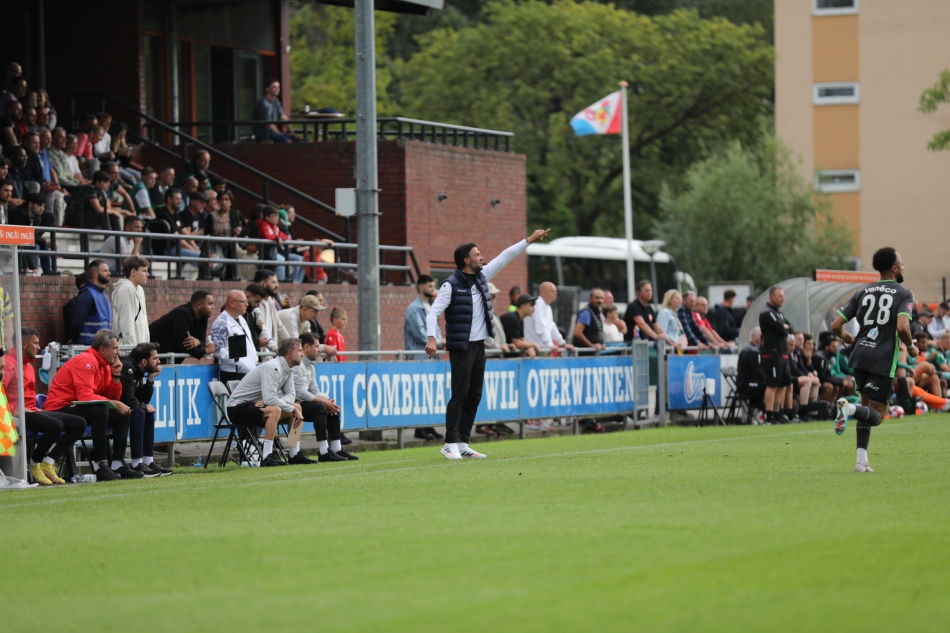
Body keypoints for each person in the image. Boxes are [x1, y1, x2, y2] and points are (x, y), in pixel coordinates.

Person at [425, 229, 550, 459]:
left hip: (479, 346)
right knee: (459, 395)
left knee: (474, 395)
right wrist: (431, 337)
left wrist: (529, 240)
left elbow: (505, 256)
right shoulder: (450, 285)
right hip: (461, 347)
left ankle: (462, 442)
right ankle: (449, 443)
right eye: (477, 254)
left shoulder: (482, 277)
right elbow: (433, 313)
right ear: (466, 260)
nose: (482, 258)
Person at [831, 247, 917, 473]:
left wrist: (846, 337)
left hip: (860, 354)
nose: (904, 266)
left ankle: (861, 462)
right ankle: (848, 408)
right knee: (877, 416)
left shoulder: (863, 292)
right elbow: (902, 327)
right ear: (894, 268)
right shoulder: (904, 293)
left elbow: (836, 325)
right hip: (882, 357)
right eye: (901, 263)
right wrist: (911, 347)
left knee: (866, 409)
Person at [44, 329, 140, 481]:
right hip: (59, 408)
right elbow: (85, 396)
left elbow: (111, 397)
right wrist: (115, 403)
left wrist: (116, 375)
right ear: (102, 349)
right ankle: (100, 465)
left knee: (123, 413)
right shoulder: (86, 361)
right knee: (101, 411)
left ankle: (117, 463)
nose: (118, 352)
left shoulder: (105, 365)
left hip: (77, 407)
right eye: (115, 348)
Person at [3, 328, 86, 485]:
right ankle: (35, 464)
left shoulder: (28, 365)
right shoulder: (8, 363)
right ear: (23, 344)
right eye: (35, 343)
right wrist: (14, 409)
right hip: (15, 414)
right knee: (55, 425)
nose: (39, 347)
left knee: (79, 423)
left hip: (32, 411)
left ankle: (48, 463)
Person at [226, 338, 305, 467]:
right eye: (300, 351)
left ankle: (294, 454)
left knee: (297, 407)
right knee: (276, 410)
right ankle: (267, 456)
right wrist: (287, 407)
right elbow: (270, 399)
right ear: (290, 353)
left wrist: (292, 408)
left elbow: (291, 395)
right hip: (236, 408)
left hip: (255, 406)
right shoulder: (273, 367)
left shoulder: (288, 369)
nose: (302, 354)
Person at [295, 333, 359, 462]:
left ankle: (336, 449)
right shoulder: (297, 365)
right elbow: (299, 393)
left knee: (331, 407)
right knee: (321, 408)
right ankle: (323, 452)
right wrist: (324, 403)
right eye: (317, 346)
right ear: (306, 347)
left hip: (299, 404)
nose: (320, 350)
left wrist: (329, 401)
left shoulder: (310, 366)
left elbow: (315, 391)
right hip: (291, 404)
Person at [120, 342, 173, 477]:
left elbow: (142, 399)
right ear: (144, 361)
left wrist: (150, 379)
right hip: (115, 410)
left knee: (147, 413)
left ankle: (148, 461)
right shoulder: (128, 369)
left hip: (125, 409)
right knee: (140, 412)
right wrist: (144, 406)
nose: (158, 361)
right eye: (155, 358)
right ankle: (136, 464)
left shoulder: (138, 370)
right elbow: (129, 399)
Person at [148, 290, 216, 364]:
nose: (213, 307)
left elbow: (202, 341)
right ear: (199, 305)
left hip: (169, 359)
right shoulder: (182, 315)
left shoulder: (203, 317)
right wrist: (205, 350)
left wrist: (199, 342)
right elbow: (184, 347)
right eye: (210, 304)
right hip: (152, 356)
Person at [758, 286, 793, 424]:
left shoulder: (779, 314)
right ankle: (770, 415)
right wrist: (784, 327)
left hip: (782, 353)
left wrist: (785, 327)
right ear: (772, 297)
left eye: (783, 296)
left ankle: (778, 413)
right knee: (772, 384)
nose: (782, 299)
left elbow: (790, 328)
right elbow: (782, 330)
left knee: (783, 384)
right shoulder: (767, 313)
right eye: (780, 296)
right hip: (772, 354)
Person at [212, 289, 260, 385]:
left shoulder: (241, 318)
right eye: (243, 302)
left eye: (246, 301)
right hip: (233, 373)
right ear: (232, 303)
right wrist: (240, 363)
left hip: (247, 371)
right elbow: (217, 350)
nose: (247, 304)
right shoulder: (221, 323)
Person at [9, 191, 54, 274]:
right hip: (18, 242)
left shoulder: (37, 217)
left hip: (28, 242)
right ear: (30, 204)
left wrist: (41, 241)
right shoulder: (18, 214)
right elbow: (22, 236)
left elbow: (33, 235)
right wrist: (43, 241)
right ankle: (34, 272)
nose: (42, 209)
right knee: (36, 247)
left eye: (43, 206)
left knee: (45, 249)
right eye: (39, 205)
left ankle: (48, 273)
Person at [523, 281, 574, 354]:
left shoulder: (547, 307)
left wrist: (563, 343)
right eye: (552, 291)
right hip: (536, 350)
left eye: (555, 291)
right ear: (543, 292)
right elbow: (541, 327)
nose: (555, 293)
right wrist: (550, 344)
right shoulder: (538, 304)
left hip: (542, 349)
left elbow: (552, 327)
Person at [71, 259, 113, 346]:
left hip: (101, 345)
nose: (109, 273)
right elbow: (78, 322)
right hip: (89, 345)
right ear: (95, 273)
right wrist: (74, 340)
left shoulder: (102, 294)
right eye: (105, 271)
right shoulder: (87, 294)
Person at [112, 255, 150, 346]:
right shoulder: (126, 289)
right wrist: (131, 349)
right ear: (133, 272)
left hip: (141, 347)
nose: (148, 274)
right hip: (128, 348)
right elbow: (127, 323)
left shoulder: (139, 289)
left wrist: (146, 347)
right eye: (144, 271)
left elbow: (144, 323)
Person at [252, 269, 291, 349]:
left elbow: (279, 325)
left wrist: (291, 343)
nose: (277, 285)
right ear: (263, 283)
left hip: (270, 351)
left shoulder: (270, 301)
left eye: (277, 282)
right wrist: (273, 347)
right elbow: (261, 327)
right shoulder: (254, 303)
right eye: (273, 282)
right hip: (261, 352)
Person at [404, 274, 442, 352]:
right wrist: (440, 342)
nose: (433, 289)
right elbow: (420, 335)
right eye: (430, 286)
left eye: (434, 286)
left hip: (432, 355)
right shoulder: (414, 309)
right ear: (421, 287)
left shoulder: (431, 307)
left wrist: (441, 344)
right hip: (419, 356)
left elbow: (436, 329)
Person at [624, 280, 668, 345]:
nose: (650, 293)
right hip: (633, 345)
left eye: (651, 290)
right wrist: (656, 336)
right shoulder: (633, 306)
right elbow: (642, 324)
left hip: (645, 344)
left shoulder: (649, 308)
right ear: (639, 293)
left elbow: (657, 327)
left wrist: (669, 342)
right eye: (647, 290)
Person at [736, 327, 767, 412]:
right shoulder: (751, 351)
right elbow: (758, 372)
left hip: (751, 381)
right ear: (754, 337)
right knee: (769, 386)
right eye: (761, 335)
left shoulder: (757, 350)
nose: (763, 337)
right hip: (745, 383)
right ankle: (767, 411)